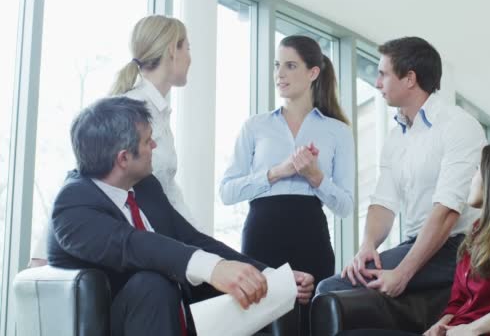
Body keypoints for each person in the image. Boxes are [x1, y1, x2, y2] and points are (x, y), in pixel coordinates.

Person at [47, 96, 315, 336]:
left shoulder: (145, 186)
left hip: (174, 313)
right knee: (151, 283)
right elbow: (133, 244)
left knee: (255, 292)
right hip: (123, 320)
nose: (154, 145)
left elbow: (192, 239)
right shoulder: (73, 204)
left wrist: (266, 274)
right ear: (124, 158)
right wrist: (214, 269)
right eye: (147, 140)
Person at [317, 36, 486, 300]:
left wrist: (403, 273)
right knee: (340, 283)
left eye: (383, 74)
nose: (377, 83)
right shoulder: (397, 137)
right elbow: (383, 202)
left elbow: (447, 210)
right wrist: (367, 246)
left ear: (409, 79)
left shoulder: (458, 126)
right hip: (418, 243)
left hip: (460, 247)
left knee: (330, 290)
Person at [336, 143, 490, 336]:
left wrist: (472, 329)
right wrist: (442, 324)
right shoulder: (477, 234)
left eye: (478, 169)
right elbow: (459, 300)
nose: (472, 177)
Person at [30, 15, 197, 265]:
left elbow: (168, 192)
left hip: (155, 240)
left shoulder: (157, 112)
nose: (190, 57)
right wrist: (42, 254)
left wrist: (198, 242)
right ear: (173, 49)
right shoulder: (133, 110)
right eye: (188, 48)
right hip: (124, 247)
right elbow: (86, 176)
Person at [219, 34, 355, 333]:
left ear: (313, 72)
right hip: (262, 236)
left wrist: (316, 176)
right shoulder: (255, 126)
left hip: (312, 237)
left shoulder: (338, 131)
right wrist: (277, 171)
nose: (279, 74)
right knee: (261, 324)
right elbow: (227, 191)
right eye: (277, 65)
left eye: (290, 65)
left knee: (308, 326)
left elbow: (345, 205)